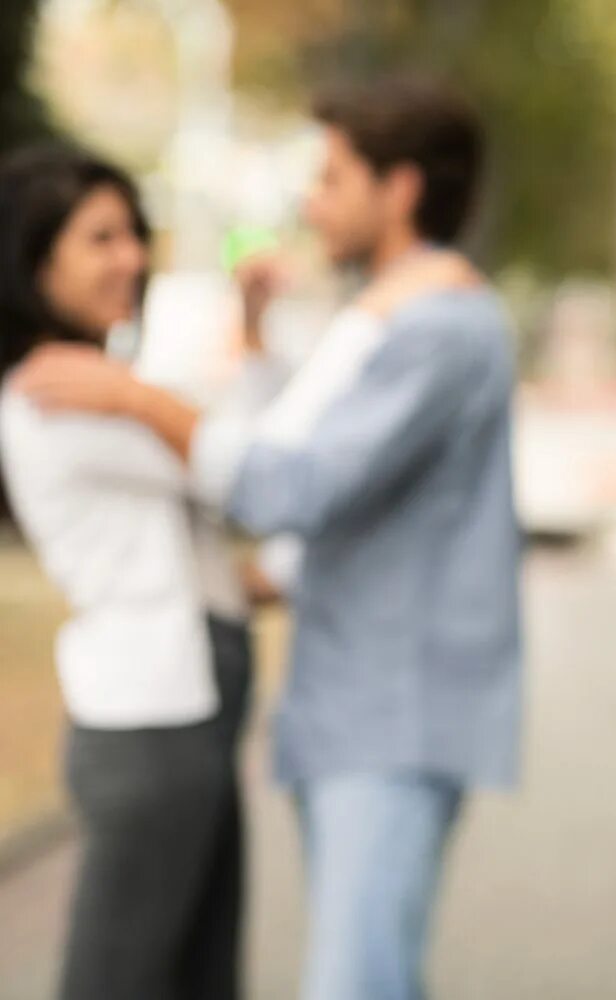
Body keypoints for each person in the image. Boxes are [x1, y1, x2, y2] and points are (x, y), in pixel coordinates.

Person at [15, 77, 524, 1000]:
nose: (308, 202)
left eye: (330, 178)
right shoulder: (394, 316)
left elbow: (295, 480)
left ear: (399, 188)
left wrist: (144, 400)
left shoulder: (436, 325)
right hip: (337, 708)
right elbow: (309, 465)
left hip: (389, 713)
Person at [0, 144, 267, 1000]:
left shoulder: (101, 387)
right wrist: (141, 400)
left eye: (134, 235)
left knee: (198, 975)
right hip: (152, 728)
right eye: (100, 238)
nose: (133, 258)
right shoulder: (57, 394)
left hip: (187, 721)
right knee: (118, 979)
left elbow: (202, 530)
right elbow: (248, 473)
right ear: (33, 259)